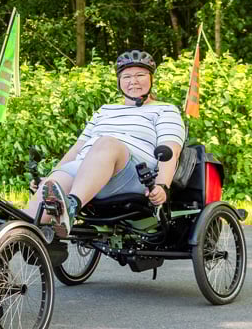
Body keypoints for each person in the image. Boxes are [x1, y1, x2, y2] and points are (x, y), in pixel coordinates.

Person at [26, 50, 185, 237]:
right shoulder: (105, 110)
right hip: (86, 168)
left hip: (130, 174)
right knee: (36, 209)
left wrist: (162, 186)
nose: (133, 81)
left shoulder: (165, 109)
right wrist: (48, 178)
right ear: (119, 82)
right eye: (126, 77)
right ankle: (7, 241)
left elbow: (171, 150)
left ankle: (71, 206)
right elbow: (77, 148)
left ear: (151, 79)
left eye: (140, 75)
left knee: (107, 143)